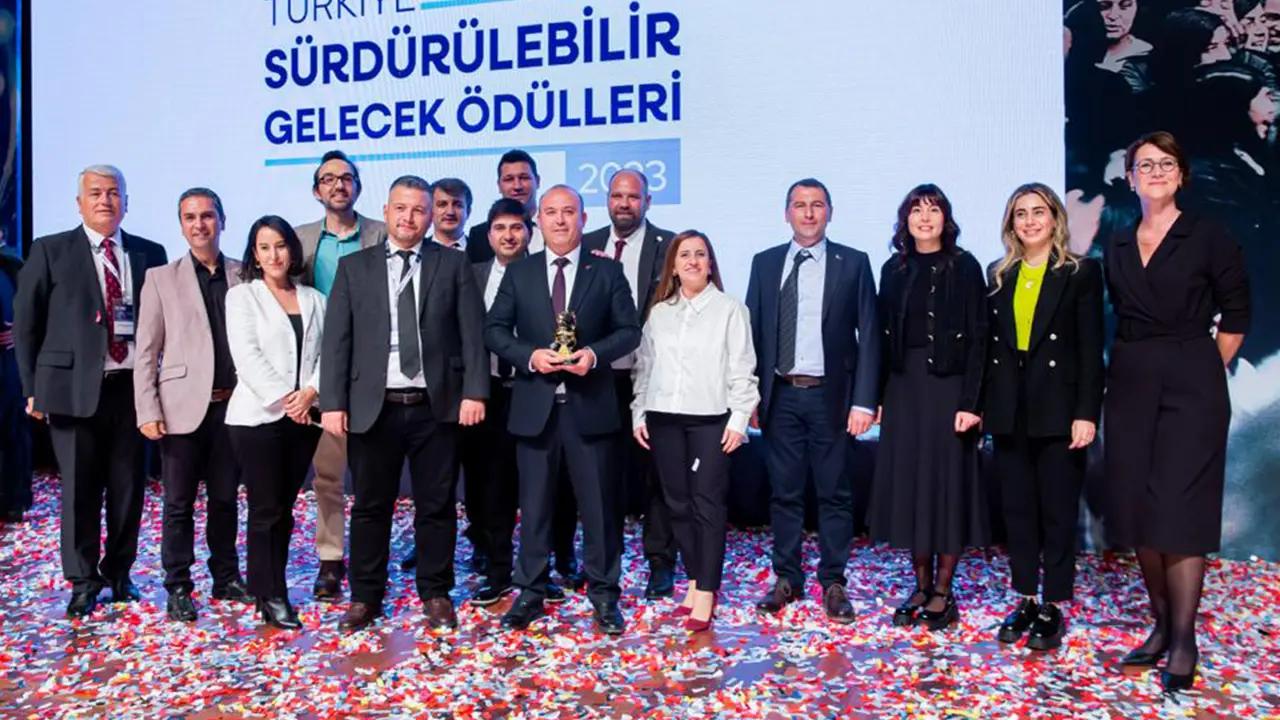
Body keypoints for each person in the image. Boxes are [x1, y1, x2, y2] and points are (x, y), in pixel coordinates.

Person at [1105, 132, 1249, 692]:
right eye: (1145, 164)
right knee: (1140, 507)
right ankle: (1162, 626)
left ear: (1182, 174)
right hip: (1131, 383)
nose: (1156, 172)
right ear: (1130, 177)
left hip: (1193, 385)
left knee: (1181, 509)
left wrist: (1201, 368)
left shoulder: (1208, 235)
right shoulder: (1118, 243)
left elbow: (1236, 315)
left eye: (1166, 163)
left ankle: (1185, 639)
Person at [320, 175, 489, 632]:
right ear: (386, 211)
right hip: (373, 406)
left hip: (437, 406)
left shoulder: (453, 264)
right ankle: (365, 596)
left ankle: (435, 592)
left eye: (418, 209)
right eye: (401, 208)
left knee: (436, 506)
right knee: (370, 506)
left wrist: (475, 392)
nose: (409, 217)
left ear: (430, 216)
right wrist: (332, 401)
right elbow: (337, 341)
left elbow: (472, 334)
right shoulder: (355, 267)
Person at [14, 165, 168, 618]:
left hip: (131, 390)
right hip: (71, 390)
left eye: (114, 193)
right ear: (79, 203)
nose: (105, 200)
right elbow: (26, 325)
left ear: (126, 202)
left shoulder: (149, 252)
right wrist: (31, 388)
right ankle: (83, 581)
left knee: (128, 489)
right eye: (96, 193)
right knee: (80, 490)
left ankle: (119, 573)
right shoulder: (50, 250)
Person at [486, 185, 640, 635]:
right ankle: (530, 591)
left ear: (583, 219)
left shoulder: (606, 271)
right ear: (539, 220)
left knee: (599, 508)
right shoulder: (520, 272)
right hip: (535, 407)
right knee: (534, 508)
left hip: (590, 406)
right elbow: (494, 330)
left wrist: (593, 355)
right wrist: (530, 356)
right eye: (550, 212)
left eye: (568, 212)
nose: (559, 220)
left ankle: (604, 595)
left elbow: (629, 331)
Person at [745, 178, 879, 625]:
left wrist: (864, 401)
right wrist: (749, 397)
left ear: (830, 212)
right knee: (783, 492)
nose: (808, 213)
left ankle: (833, 582)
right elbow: (753, 336)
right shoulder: (764, 263)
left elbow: (870, 335)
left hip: (831, 398)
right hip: (780, 394)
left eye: (817, 205)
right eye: (799, 205)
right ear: (786, 213)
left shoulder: (853, 263)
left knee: (834, 493)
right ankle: (787, 578)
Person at [983, 184, 1105, 650]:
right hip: (1010, 409)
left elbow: (1091, 350)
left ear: (1055, 218)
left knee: (1057, 511)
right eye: (1021, 214)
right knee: (1017, 512)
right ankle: (1026, 598)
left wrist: (1086, 413)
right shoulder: (999, 274)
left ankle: (1053, 604)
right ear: (1011, 224)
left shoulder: (1080, 272)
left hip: (1059, 409)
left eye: (1039, 212)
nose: (1030, 221)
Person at [868, 183, 988, 632]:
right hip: (904, 389)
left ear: (945, 219)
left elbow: (980, 338)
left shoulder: (965, 265)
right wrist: (878, 397)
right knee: (913, 486)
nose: (924, 217)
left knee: (947, 486)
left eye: (933, 209)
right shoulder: (893, 269)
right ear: (905, 220)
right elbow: (881, 338)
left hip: (950, 389)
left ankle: (943, 589)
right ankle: (919, 585)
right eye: (916, 210)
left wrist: (972, 403)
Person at [632, 230, 758, 632]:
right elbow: (644, 368)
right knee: (677, 504)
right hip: (663, 418)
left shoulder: (729, 310)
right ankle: (692, 580)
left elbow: (742, 368)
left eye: (700, 254)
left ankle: (706, 589)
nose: (692, 261)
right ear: (673, 265)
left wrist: (739, 419)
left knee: (707, 504)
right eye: (684, 254)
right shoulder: (659, 313)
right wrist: (639, 413)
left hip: (710, 420)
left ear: (710, 263)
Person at [133, 188, 250, 622]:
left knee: (225, 499)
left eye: (207, 215)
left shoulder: (245, 274)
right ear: (181, 225)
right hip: (180, 407)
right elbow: (147, 351)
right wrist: (147, 409)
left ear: (222, 220)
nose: (200, 224)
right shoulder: (161, 278)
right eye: (190, 217)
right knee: (178, 503)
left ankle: (226, 576)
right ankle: (178, 585)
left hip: (234, 407)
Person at [295, 150, 387, 602]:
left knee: (374, 477)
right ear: (317, 191)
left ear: (358, 187)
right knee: (328, 475)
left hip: (375, 371)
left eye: (346, 177)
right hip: (322, 371)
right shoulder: (299, 241)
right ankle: (330, 558)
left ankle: (373, 559)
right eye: (328, 179)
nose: (338, 185)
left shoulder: (382, 234)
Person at [225, 216, 325, 630]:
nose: (274, 255)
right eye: (264, 247)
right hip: (257, 417)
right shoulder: (242, 297)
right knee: (265, 508)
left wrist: (310, 393)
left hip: (303, 417)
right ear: (254, 254)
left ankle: (267, 588)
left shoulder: (315, 298)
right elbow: (246, 356)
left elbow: (327, 353)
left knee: (284, 508)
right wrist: (288, 400)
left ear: (292, 250)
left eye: (280, 245)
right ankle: (271, 594)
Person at [581, 169, 677, 600]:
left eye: (633, 197)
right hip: (598, 378)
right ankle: (604, 562)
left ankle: (660, 562)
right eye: (617, 196)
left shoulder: (669, 246)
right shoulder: (585, 243)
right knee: (601, 476)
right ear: (607, 200)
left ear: (648, 202)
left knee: (657, 475)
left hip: (654, 378)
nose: (624, 204)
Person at [463, 198, 531, 605]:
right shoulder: (470, 275)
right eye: (500, 228)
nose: (508, 235)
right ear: (488, 235)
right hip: (483, 394)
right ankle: (496, 566)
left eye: (516, 227)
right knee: (487, 487)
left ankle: (539, 569)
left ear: (529, 233)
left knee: (537, 486)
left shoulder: (544, 274)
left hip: (531, 391)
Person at [467, 150, 544, 261]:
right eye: (509, 179)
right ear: (499, 185)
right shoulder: (479, 235)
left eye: (524, 178)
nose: (517, 186)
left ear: (538, 181)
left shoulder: (555, 228)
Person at [0, 243, 31, 524]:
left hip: (8, 365)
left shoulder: (12, 267)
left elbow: (34, 308)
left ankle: (13, 500)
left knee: (12, 430)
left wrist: (20, 330)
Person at [1097, 0, 1155, 92]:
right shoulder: (1078, 51)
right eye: (1103, 6)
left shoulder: (1148, 60)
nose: (1113, 16)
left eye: (1125, 6)